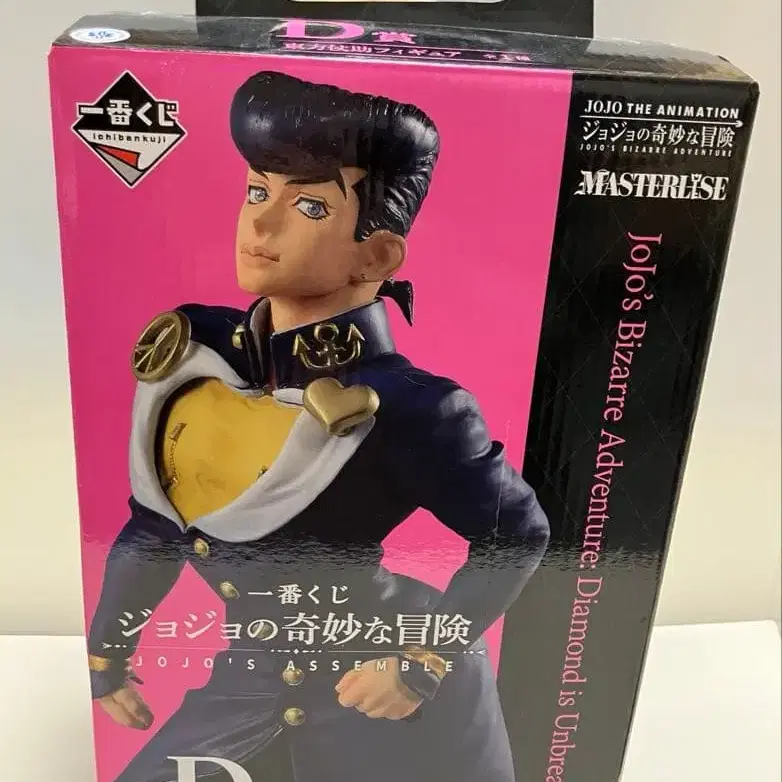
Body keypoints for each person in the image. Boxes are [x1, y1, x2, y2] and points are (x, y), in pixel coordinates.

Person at [88, 70, 550, 782]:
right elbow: (156, 526)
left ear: (377, 254)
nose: (260, 223)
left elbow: (517, 532)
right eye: (256, 191)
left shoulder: (413, 407)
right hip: (252, 676)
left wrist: (421, 662)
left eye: (308, 205)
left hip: (384, 685)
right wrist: (107, 653)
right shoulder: (194, 359)